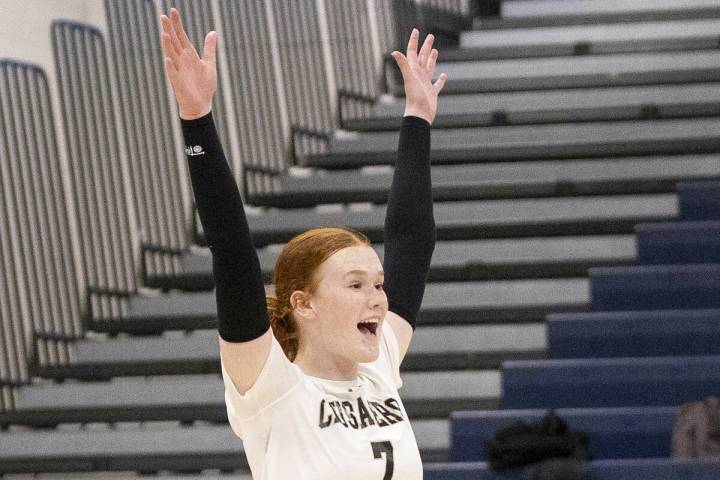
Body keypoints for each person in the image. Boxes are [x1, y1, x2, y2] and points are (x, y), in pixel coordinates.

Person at [160, 8, 446, 479]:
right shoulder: (269, 385)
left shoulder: (379, 367)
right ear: (304, 303)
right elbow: (232, 253)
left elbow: (413, 240)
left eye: (377, 284)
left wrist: (417, 117)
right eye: (356, 285)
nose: (377, 297)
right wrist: (197, 121)